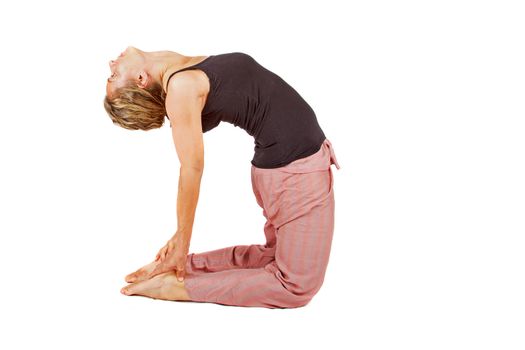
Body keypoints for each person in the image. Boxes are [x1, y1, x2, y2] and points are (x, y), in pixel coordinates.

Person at [103, 46, 341, 308]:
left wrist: (181, 249)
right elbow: (191, 169)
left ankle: (185, 270)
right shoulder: (181, 88)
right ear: (141, 80)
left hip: (288, 169)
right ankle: (179, 287)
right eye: (113, 76)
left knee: (273, 257)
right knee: (295, 285)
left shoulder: (177, 69)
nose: (111, 63)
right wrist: (182, 240)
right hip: (295, 174)